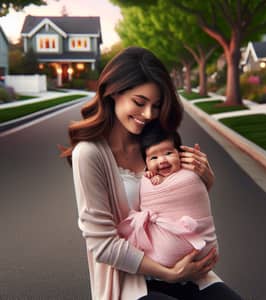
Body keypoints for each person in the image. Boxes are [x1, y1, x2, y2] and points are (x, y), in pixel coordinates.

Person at [61, 46, 242, 300]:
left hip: (185, 268)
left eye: (156, 106)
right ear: (113, 92)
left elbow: (178, 207)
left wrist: (204, 182)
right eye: (139, 102)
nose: (148, 114)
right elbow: (102, 245)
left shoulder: (155, 143)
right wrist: (170, 274)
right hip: (129, 280)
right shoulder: (89, 154)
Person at [118, 122, 219, 291]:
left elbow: (191, 199)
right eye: (154, 158)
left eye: (168, 153)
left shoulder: (187, 175)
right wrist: (151, 178)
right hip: (150, 271)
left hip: (198, 259)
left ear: (180, 154)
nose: (162, 160)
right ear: (146, 163)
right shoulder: (148, 177)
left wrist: (205, 180)